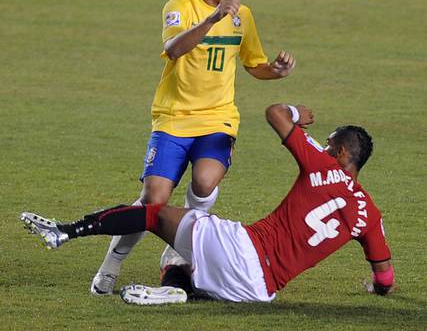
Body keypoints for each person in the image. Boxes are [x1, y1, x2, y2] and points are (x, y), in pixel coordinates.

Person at [22, 102, 395, 303]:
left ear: (341, 152)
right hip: (258, 292)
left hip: (244, 250)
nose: (324, 147)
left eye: (329, 143)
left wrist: (298, 114)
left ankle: (66, 231)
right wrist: (377, 290)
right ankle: (177, 291)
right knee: (180, 259)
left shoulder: (322, 165)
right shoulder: (370, 214)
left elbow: (275, 113)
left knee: (154, 215)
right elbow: (385, 277)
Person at [89, 0, 296, 295]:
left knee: (204, 182)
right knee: (153, 200)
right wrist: (213, 18)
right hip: (174, 117)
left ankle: (177, 246)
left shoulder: (243, 16)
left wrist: (274, 71)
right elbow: (173, 48)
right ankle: (112, 264)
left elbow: (254, 64)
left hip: (218, 118)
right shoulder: (180, 6)